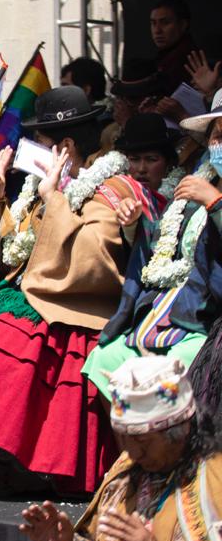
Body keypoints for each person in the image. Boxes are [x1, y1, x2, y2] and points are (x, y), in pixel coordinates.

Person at [0, 86, 159, 497]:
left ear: (65, 147)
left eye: (42, 142)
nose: (33, 150)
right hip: (36, 297)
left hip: (80, 307)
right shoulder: (49, 186)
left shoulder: (114, 187)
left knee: (3, 340)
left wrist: (53, 199)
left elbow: (90, 263)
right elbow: (12, 261)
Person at [20, 356, 222, 541]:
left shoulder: (215, 481)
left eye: (142, 441)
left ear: (181, 431)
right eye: (124, 439)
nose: (133, 452)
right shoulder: (125, 471)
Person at [84, 101, 222, 401]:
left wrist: (215, 204)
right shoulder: (200, 180)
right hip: (169, 305)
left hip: (208, 315)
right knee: (104, 360)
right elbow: (162, 243)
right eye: (217, 136)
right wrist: (135, 223)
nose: (220, 145)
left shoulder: (205, 190)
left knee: (176, 368)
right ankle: (131, 434)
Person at [113, 0, 196, 126]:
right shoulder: (163, 59)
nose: (157, 30)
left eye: (165, 23)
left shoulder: (190, 61)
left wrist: (129, 124)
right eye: (153, 23)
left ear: (182, 25)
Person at [114, 113, 182, 198]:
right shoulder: (112, 199)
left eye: (151, 159)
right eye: (134, 159)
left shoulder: (184, 198)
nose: (141, 169)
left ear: (169, 163)